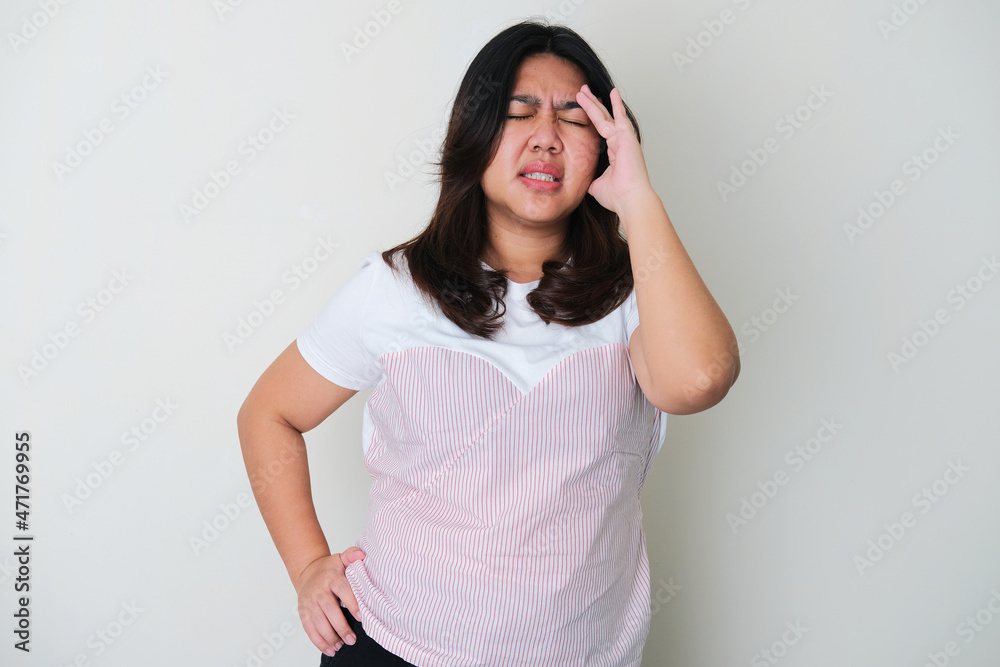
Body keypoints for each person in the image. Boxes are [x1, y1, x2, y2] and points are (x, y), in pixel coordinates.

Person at [237, 19, 740, 666]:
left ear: (610, 144)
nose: (547, 138)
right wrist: (308, 565)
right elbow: (268, 414)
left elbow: (699, 378)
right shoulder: (394, 288)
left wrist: (638, 201)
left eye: (574, 119)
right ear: (474, 136)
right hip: (396, 646)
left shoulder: (639, 293)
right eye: (518, 112)